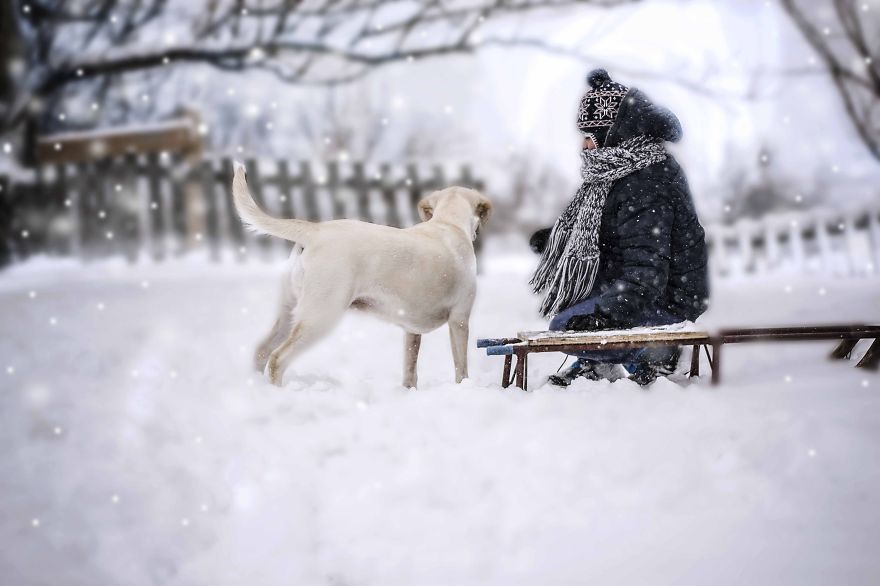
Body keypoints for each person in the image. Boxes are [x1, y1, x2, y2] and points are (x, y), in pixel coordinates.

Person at [529, 68, 709, 386]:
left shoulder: (647, 180)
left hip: (667, 297)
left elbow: (647, 268)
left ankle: (655, 353)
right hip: (643, 286)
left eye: (589, 134)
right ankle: (600, 363)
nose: (584, 144)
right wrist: (560, 241)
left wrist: (606, 316)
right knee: (575, 292)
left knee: (565, 327)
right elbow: (614, 236)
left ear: (612, 133)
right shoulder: (620, 174)